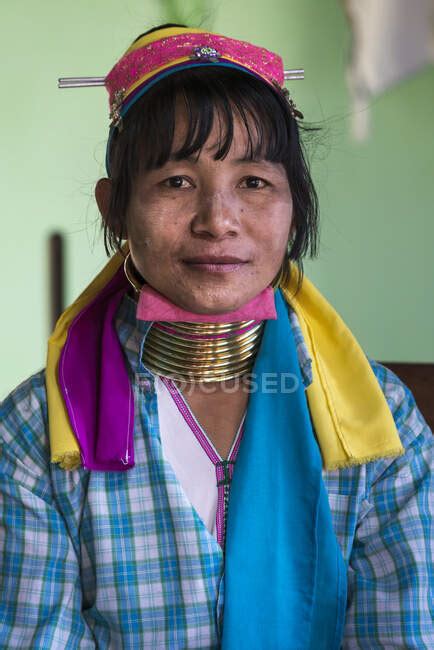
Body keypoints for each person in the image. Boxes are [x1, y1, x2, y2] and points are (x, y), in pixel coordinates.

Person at [0, 23, 432, 649]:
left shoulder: (378, 422)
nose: (218, 221)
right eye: (176, 181)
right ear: (114, 207)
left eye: (254, 182)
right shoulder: (38, 431)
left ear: (295, 205)